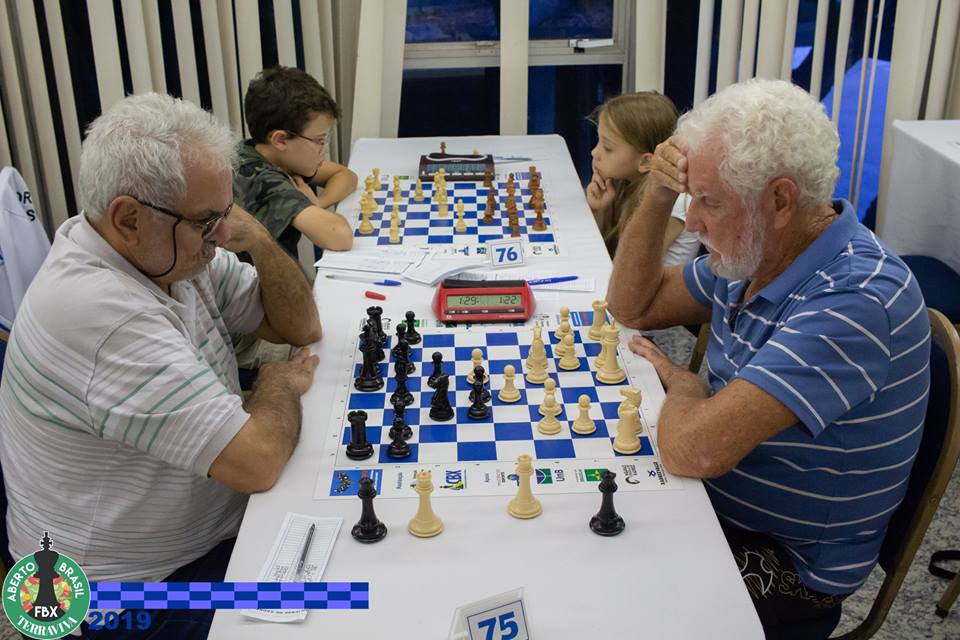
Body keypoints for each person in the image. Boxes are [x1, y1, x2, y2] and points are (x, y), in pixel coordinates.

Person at [606, 79, 929, 639]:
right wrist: (658, 193)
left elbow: (692, 449)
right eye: (691, 198)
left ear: (780, 200)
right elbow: (633, 305)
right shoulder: (757, 253)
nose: (694, 222)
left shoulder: (855, 302)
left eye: (709, 201)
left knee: (599, 604)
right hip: (716, 505)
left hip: (785, 567)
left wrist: (688, 389)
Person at [0, 93, 322, 638]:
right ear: (128, 217)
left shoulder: (162, 253)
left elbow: (300, 326)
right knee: (345, 608)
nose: (222, 236)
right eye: (207, 221)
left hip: (194, 539)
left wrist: (261, 239)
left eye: (225, 214)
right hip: (121, 593)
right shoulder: (101, 313)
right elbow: (259, 462)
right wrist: (275, 384)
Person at [234, 65, 357, 258]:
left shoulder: (268, 154)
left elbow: (346, 176)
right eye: (318, 140)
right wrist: (311, 206)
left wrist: (318, 202)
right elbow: (341, 237)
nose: (323, 149)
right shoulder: (263, 180)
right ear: (280, 140)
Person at [586, 91, 700, 263]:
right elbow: (605, 252)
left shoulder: (674, 202)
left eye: (608, 147)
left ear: (646, 161)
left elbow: (629, 266)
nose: (594, 152)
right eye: (598, 140)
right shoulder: (623, 182)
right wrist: (599, 210)